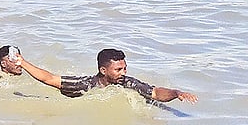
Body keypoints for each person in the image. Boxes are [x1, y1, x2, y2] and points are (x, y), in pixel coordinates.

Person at [16, 48, 199, 103]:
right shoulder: (85, 85)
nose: (124, 73)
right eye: (118, 70)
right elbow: (49, 79)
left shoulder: (128, 83)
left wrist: (176, 93)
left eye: (125, 68)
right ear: (103, 71)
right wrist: (22, 63)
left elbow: (155, 93)